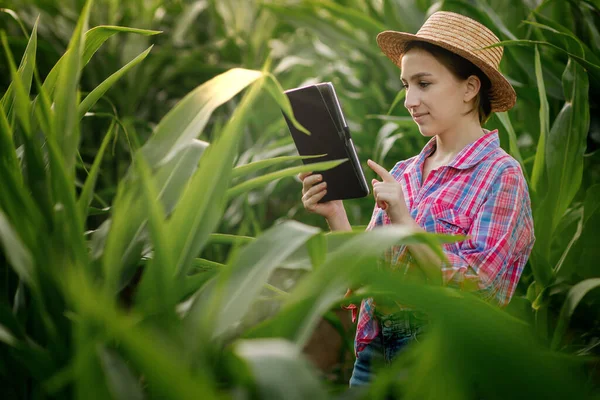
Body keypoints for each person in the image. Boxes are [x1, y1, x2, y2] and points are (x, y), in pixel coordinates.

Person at [297, 11, 536, 387]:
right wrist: (335, 215)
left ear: (470, 88)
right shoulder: (405, 172)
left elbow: (483, 290)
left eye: (424, 83)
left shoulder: (500, 175)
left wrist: (406, 223)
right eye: (406, 85)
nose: (410, 100)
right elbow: (368, 280)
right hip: (374, 356)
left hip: (442, 357)